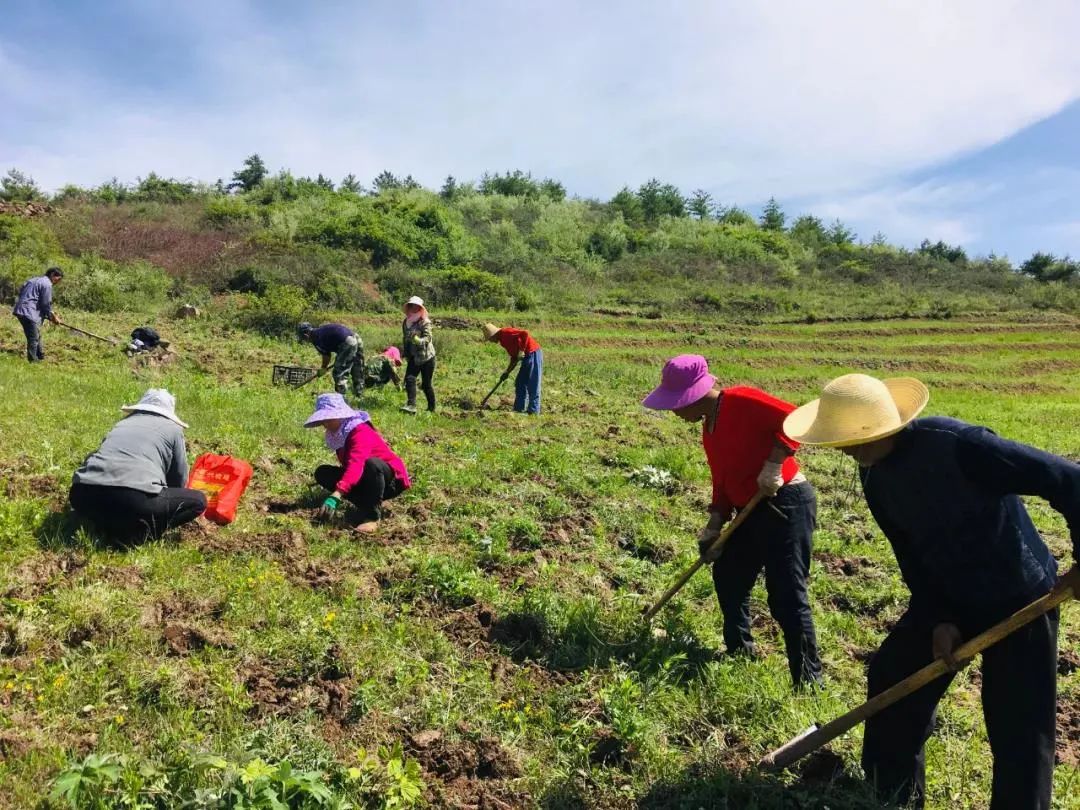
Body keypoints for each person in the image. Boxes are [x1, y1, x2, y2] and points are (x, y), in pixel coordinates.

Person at [783, 373, 1080, 809]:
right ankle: (894, 796)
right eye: (839, 440)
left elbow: (1069, 479)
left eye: (853, 439)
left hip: (1019, 596)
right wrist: (940, 618)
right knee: (891, 676)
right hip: (948, 594)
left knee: (1019, 725)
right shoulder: (873, 475)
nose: (845, 450)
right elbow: (911, 554)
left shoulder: (961, 446)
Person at [642, 354, 822, 689]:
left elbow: (797, 419)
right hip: (750, 512)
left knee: (786, 594)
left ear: (695, 396)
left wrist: (774, 463)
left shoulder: (741, 401)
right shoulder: (708, 431)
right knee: (729, 574)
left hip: (786, 504)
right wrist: (714, 524)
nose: (675, 413)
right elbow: (722, 481)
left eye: (677, 405)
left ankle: (809, 680)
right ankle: (740, 650)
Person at [69, 389, 207, 545]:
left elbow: (95, 455)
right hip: (134, 500)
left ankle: (99, 526)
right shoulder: (173, 430)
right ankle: (137, 535)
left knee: (112, 507)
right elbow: (179, 477)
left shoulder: (122, 424)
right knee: (199, 501)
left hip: (81, 494)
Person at [305, 393, 410, 533]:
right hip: (365, 477)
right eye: (324, 420)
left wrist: (338, 493)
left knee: (371, 464)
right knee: (323, 472)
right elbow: (349, 466)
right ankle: (368, 503)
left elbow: (356, 464)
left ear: (340, 415)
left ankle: (372, 516)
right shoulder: (340, 433)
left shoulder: (359, 431)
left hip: (388, 480)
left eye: (329, 419)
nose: (325, 424)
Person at [483, 322, 542, 415]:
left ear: (494, 335)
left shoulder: (506, 333)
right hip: (526, 356)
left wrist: (522, 350)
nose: (490, 341)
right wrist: (507, 372)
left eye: (490, 339)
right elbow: (514, 357)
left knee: (533, 382)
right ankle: (519, 409)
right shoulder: (503, 341)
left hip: (533, 352)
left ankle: (533, 411)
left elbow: (525, 333)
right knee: (520, 382)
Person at [297, 322, 364, 399]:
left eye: (303, 338)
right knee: (357, 367)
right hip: (356, 337)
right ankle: (359, 395)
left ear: (306, 335)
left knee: (339, 373)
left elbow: (326, 356)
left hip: (347, 343)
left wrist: (323, 368)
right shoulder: (319, 331)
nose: (305, 341)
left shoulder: (316, 339)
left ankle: (342, 399)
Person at [12, 266, 63, 362]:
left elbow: (23, 292)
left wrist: (50, 315)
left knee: (36, 334)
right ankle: (33, 360)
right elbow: (45, 303)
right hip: (29, 312)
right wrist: (53, 317)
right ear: (52, 275)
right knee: (33, 337)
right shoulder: (47, 284)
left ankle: (40, 356)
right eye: (58, 279)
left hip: (21, 310)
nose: (58, 282)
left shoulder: (33, 280)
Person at [401, 296, 436, 413]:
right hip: (414, 356)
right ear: (409, 307)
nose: (414, 308)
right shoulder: (406, 322)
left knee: (426, 384)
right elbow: (405, 338)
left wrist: (418, 340)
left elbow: (428, 338)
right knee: (409, 379)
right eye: (412, 305)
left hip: (427, 357)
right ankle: (411, 405)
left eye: (417, 306)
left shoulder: (425, 322)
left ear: (420, 308)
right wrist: (405, 353)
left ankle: (431, 408)